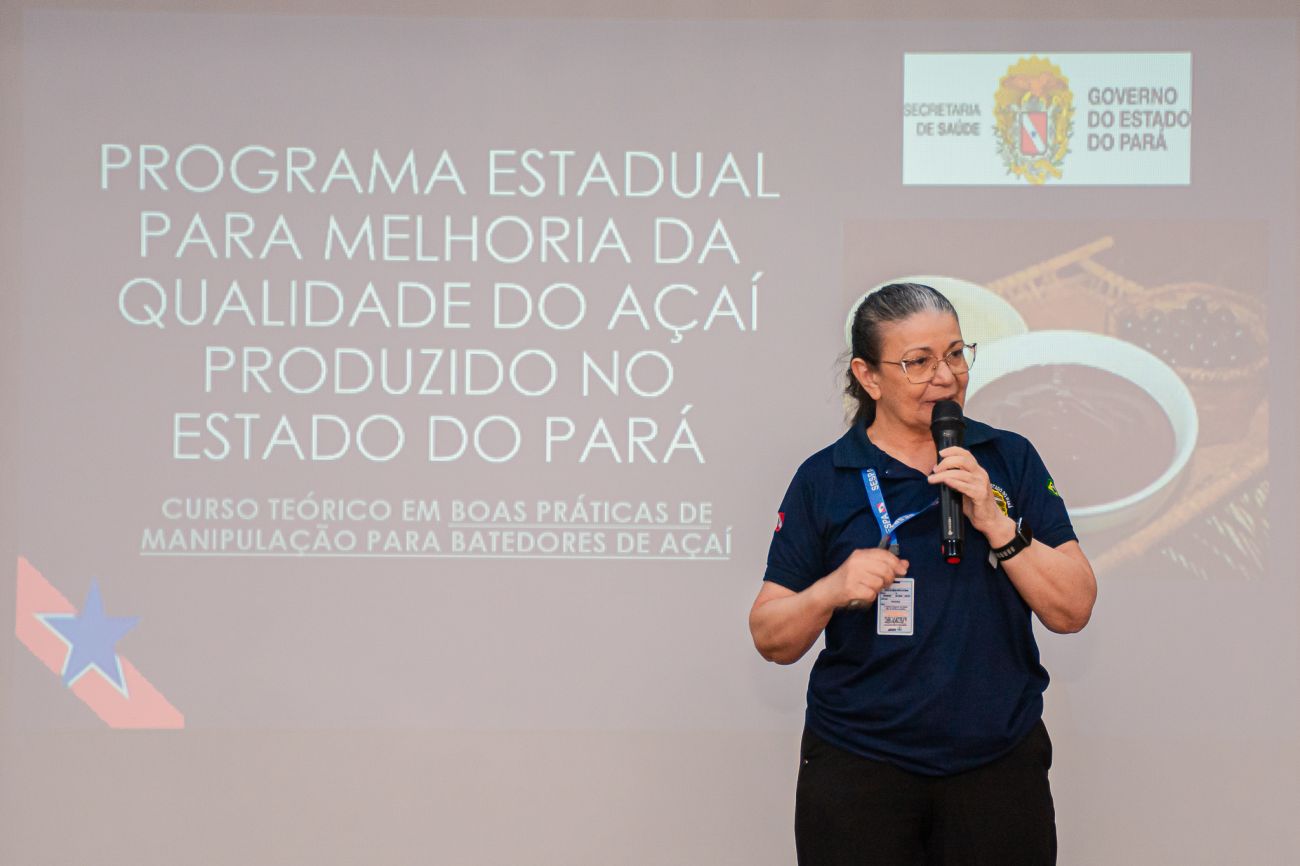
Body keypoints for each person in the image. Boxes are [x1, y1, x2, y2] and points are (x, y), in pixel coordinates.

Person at [749, 282, 1097, 866]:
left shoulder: (1008, 459)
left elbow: (1074, 609)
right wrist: (831, 590)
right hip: (861, 768)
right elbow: (770, 635)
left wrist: (997, 522)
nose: (946, 376)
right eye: (919, 362)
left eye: (956, 354)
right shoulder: (825, 478)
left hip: (997, 766)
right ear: (868, 376)